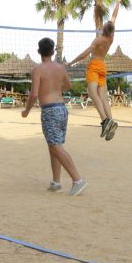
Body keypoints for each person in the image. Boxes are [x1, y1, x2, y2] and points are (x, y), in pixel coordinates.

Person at [22, 37, 86, 196]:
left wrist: (26, 111)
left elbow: (34, 94)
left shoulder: (37, 69)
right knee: (54, 146)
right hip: (62, 109)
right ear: (52, 51)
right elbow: (69, 86)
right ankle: (56, 182)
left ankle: (78, 180)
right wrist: (55, 90)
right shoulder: (60, 68)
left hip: (50, 110)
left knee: (55, 147)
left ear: (39, 52)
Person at [69, 0, 123, 141]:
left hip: (94, 65)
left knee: (93, 94)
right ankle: (111, 122)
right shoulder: (111, 38)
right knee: (103, 97)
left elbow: (84, 54)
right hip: (103, 66)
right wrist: (118, 1)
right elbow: (114, 16)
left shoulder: (98, 40)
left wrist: (71, 62)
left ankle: (105, 121)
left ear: (104, 29)